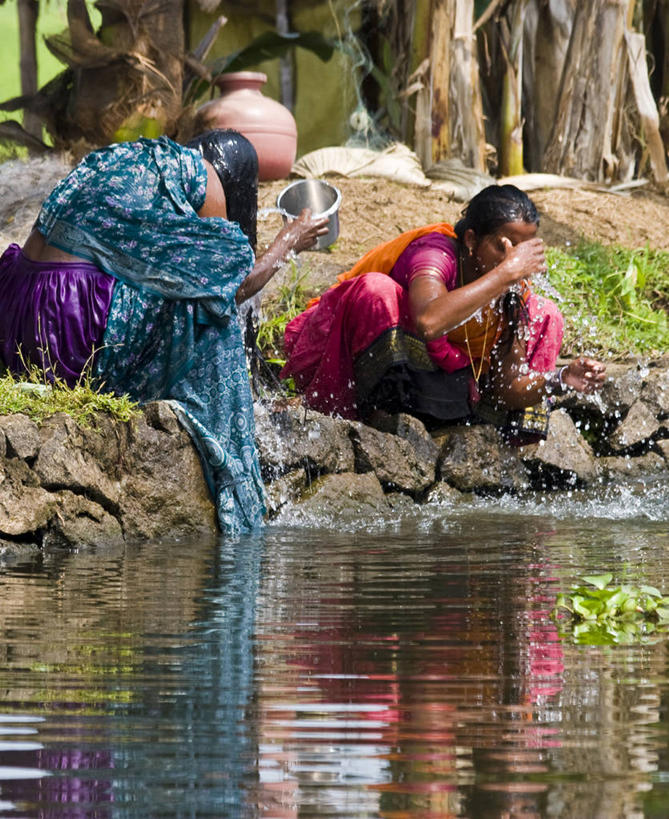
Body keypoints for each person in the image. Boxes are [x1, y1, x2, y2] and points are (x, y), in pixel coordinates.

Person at [0, 129, 328, 534]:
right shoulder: (206, 179)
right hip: (69, 339)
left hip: (17, 320)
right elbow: (231, 287)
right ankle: (233, 479)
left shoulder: (124, 158)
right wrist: (288, 240)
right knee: (211, 313)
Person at [281, 184, 606, 442]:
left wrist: (561, 378)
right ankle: (367, 420)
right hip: (367, 358)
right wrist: (505, 274)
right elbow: (429, 321)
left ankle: (491, 443)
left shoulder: (511, 290)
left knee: (545, 313)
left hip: (444, 384)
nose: (512, 259)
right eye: (502, 245)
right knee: (376, 292)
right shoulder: (436, 254)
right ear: (471, 239)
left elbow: (506, 387)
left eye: (521, 250)